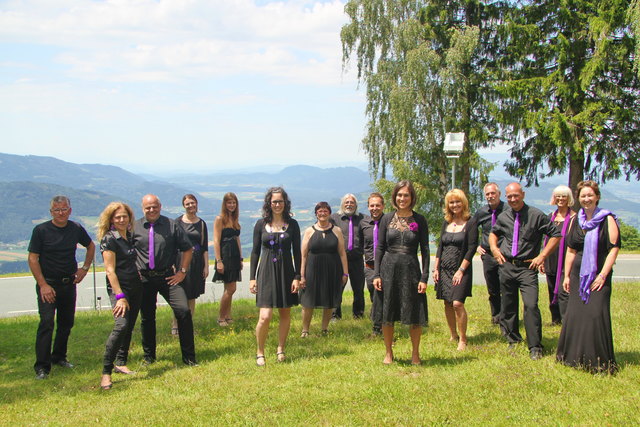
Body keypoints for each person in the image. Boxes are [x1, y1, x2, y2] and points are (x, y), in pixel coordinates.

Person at [489, 182, 561, 360]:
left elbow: (556, 235)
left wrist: (542, 256)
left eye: (516, 195)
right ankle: (513, 339)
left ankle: (535, 346)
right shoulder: (504, 216)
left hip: (527, 268)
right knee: (508, 305)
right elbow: (493, 233)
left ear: (523, 194)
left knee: (530, 305)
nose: (513, 199)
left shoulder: (536, 215)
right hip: (507, 266)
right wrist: (494, 249)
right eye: (510, 196)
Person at [28, 195, 95, 380]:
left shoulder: (75, 228)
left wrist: (84, 269)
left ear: (70, 210)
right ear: (51, 212)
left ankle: (59, 357)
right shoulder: (41, 230)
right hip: (48, 284)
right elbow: (33, 258)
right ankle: (42, 366)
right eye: (57, 210)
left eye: (64, 209)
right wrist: (43, 285)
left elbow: (90, 246)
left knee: (66, 323)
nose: (61, 213)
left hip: (69, 283)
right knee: (46, 323)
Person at [556, 180, 620, 374]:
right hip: (577, 276)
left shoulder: (606, 219)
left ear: (597, 196)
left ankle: (598, 361)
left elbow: (614, 249)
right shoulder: (576, 220)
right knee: (575, 316)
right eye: (583, 196)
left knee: (595, 315)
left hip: (599, 275)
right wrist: (566, 276)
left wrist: (602, 275)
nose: (586, 199)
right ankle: (573, 358)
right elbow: (571, 250)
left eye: (590, 195)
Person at [132, 194, 197, 366]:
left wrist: (182, 271)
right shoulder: (135, 227)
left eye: (154, 206)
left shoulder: (171, 225)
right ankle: (149, 357)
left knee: (183, 311)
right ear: (142, 208)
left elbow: (188, 249)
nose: (151, 210)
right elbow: (128, 252)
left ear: (160, 206)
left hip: (168, 277)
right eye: (148, 207)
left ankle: (189, 358)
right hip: (144, 278)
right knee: (147, 318)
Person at [373, 180, 429, 365]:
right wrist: (377, 274)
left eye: (406, 195)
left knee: (414, 313)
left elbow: (426, 250)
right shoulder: (386, 219)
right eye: (399, 195)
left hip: (411, 269)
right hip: (388, 269)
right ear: (394, 197)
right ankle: (388, 353)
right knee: (387, 312)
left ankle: (415, 354)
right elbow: (380, 248)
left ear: (412, 198)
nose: (402, 198)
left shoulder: (420, 220)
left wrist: (424, 277)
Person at [249, 187, 301, 366]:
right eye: (274, 202)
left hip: (286, 271)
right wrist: (252, 278)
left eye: (280, 201)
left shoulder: (292, 224)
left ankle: (281, 348)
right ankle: (260, 351)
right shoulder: (260, 224)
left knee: (285, 312)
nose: (277, 205)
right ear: (269, 204)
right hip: (266, 271)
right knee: (265, 315)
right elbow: (255, 252)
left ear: (285, 203)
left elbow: (298, 253)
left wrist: (297, 276)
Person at [97, 202, 141, 390]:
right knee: (121, 325)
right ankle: (106, 372)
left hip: (135, 286)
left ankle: (121, 362)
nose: (122, 220)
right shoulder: (109, 239)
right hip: (119, 290)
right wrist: (120, 296)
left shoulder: (129, 235)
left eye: (125, 216)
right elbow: (110, 271)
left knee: (129, 326)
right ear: (111, 219)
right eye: (118, 217)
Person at [432, 189, 478, 351]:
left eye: (458, 202)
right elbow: (440, 247)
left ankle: (463, 339)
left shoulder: (470, 222)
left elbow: (471, 248)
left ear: (463, 203)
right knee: (447, 302)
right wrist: (436, 268)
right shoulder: (446, 222)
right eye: (451, 202)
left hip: (461, 269)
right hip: (444, 268)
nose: (455, 205)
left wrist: (461, 270)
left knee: (457, 303)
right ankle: (453, 334)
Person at [300, 202, 349, 336]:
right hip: (312, 269)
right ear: (316, 213)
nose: (322, 213)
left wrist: (345, 272)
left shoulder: (336, 230)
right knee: (308, 301)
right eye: (320, 211)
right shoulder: (309, 231)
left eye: (325, 211)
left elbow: (342, 253)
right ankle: (305, 330)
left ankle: (324, 329)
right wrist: (302, 275)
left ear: (329, 213)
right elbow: (303, 255)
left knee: (329, 301)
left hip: (332, 269)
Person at [172, 194, 209, 336]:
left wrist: (206, 266)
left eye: (192, 203)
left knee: (192, 295)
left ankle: (188, 325)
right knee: (179, 294)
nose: (190, 206)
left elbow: (204, 246)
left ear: (196, 204)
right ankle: (175, 323)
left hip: (197, 261)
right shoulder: (177, 222)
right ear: (184, 205)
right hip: (180, 260)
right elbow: (173, 245)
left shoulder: (201, 223)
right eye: (187, 204)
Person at [540, 185, 575, 325]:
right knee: (551, 289)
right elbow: (545, 240)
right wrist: (542, 259)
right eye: (558, 196)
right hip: (551, 260)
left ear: (569, 198)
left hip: (566, 260)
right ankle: (556, 320)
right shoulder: (550, 217)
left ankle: (566, 320)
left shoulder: (574, 218)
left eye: (564, 196)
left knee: (563, 292)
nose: (561, 199)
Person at [471, 182, 504, 324]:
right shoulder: (482, 212)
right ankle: (496, 316)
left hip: (505, 255)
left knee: (506, 287)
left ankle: (507, 316)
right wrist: (476, 246)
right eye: (488, 194)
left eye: (493, 193)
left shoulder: (508, 210)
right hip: (488, 256)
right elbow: (471, 228)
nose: (490, 196)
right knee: (493, 288)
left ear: (499, 194)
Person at [330, 194, 366, 320]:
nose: (349, 204)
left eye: (352, 202)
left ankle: (358, 314)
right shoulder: (334, 218)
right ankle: (335, 315)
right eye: (346, 202)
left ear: (356, 205)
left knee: (358, 289)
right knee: (337, 288)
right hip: (339, 260)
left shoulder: (363, 219)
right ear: (342, 204)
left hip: (357, 259)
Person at [213, 192, 243, 327]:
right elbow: (216, 240)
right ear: (224, 204)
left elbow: (237, 239)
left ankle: (228, 315)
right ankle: (220, 317)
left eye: (234, 203)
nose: (232, 205)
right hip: (225, 256)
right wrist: (219, 261)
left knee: (229, 288)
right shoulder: (220, 219)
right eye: (229, 203)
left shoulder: (234, 219)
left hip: (235, 256)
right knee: (231, 288)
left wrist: (241, 258)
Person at [359, 192, 386, 336]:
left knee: (380, 295)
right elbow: (362, 244)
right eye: (372, 205)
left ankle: (378, 328)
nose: (375, 208)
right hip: (369, 267)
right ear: (368, 207)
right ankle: (378, 320)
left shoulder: (389, 222)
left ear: (383, 206)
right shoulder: (364, 223)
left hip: (385, 266)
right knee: (373, 295)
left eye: (377, 205)